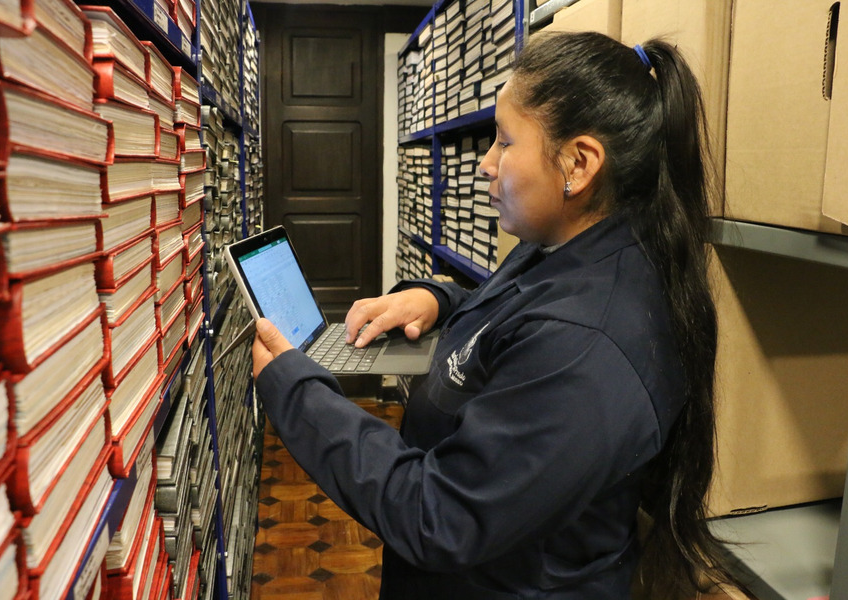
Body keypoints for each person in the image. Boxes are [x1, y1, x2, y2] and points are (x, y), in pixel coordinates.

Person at [252, 31, 740, 599]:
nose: (485, 164)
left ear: (578, 164)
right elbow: (515, 313)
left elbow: (440, 515)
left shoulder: (586, 347)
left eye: (505, 142)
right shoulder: (564, 246)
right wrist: (435, 299)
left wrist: (297, 392)